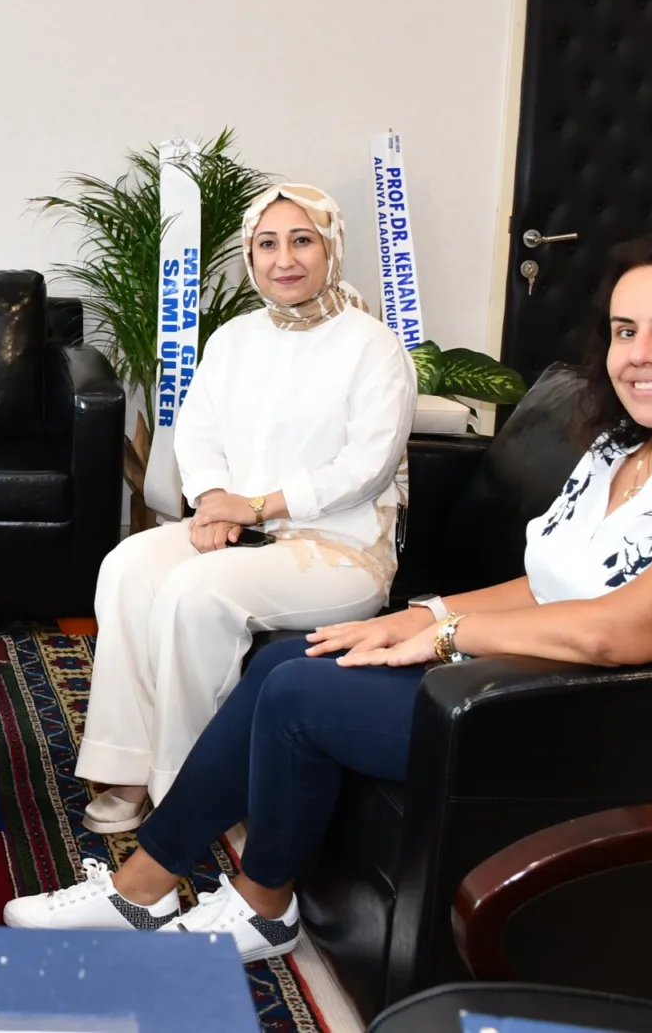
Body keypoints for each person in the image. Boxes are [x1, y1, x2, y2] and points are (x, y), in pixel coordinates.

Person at [6, 230, 652, 961]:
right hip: (531, 679)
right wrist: (427, 612)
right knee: (291, 661)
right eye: (626, 329)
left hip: (608, 726)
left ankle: (212, 898)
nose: (641, 352)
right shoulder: (624, 452)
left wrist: (445, 637)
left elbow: (617, 631)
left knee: (298, 693)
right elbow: (550, 585)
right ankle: (181, 893)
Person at [78, 183, 416, 834]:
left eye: (302, 240)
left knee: (196, 592)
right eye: (267, 244)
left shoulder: (373, 346)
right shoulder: (234, 338)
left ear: (331, 247)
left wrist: (253, 507)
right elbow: (198, 431)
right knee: (126, 567)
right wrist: (213, 501)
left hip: (336, 550)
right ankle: (128, 765)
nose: (284, 259)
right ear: (250, 255)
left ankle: (192, 790)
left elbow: (365, 468)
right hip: (237, 529)